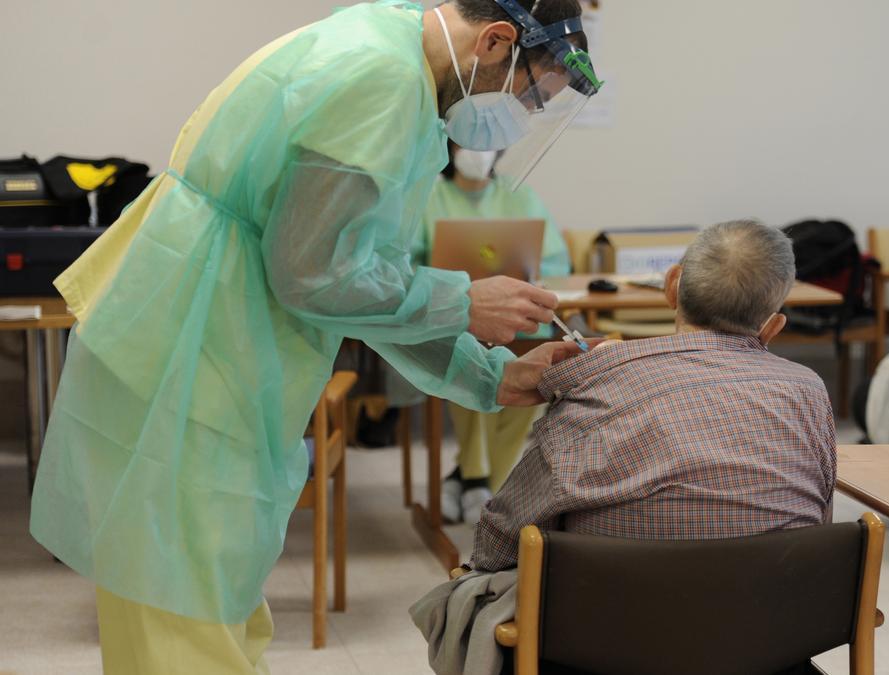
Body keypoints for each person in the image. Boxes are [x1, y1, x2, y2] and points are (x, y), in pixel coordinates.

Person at [28, 1, 602, 672]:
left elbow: (358, 278)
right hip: (190, 358)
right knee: (186, 630)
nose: (518, 113)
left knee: (215, 606)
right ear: (498, 40)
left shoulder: (390, 48)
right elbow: (313, 275)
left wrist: (491, 374)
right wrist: (461, 300)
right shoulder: (382, 78)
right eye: (529, 94)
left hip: (210, 349)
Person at [467, 220, 839, 572]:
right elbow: (819, 518)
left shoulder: (598, 383)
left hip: (612, 630)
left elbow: (500, 541)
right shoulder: (810, 391)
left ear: (671, 285)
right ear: (773, 326)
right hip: (775, 626)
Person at [391, 142, 571, 524]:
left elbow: (555, 259)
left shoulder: (518, 193)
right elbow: (403, 262)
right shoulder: (427, 194)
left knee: (529, 381)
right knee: (466, 366)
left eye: (487, 143)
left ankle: (476, 480)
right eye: (468, 141)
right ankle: (476, 478)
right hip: (453, 318)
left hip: (521, 324)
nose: (478, 151)